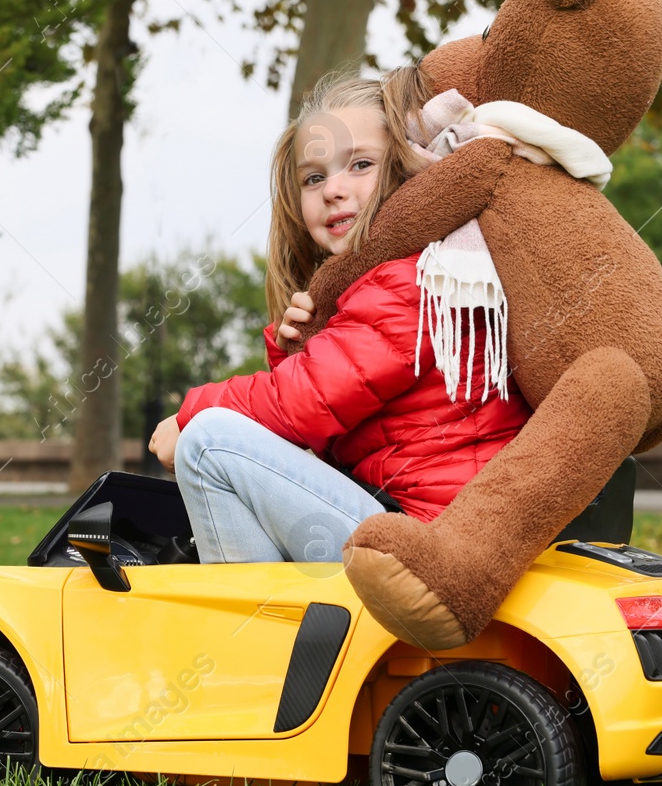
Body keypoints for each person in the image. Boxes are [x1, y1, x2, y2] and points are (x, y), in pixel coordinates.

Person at [147, 66, 532, 563]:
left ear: (404, 169)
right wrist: (298, 348)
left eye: (360, 165)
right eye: (314, 177)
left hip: (430, 542)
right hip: (411, 519)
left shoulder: (411, 277)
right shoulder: (395, 279)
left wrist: (189, 412)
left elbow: (304, 405)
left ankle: (251, 634)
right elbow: (327, 418)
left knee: (208, 441)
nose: (333, 189)